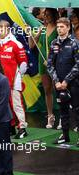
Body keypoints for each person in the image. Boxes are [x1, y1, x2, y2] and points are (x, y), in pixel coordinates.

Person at [0, 20, 28, 139]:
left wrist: (17, 77)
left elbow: (23, 64)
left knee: (16, 104)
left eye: (1, 28)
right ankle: (11, 126)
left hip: (14, 80)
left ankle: (22, 127)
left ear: (7, 29)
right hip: (0, 80)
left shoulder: (16, 44)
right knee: (5, 104)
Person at [47, 17, 79, 146]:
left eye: (62, 27)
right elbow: (49, 64)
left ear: (68, 28)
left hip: (73, 83)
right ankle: (65, 136)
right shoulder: (54, 43)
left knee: (77, 110)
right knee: (63, 111)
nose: (59, 29)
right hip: (58, 84)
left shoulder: (75, 43)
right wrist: (56, 81)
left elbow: (78, 64)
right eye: (58, 27)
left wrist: (66, 80)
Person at [29, 8, 59, 129]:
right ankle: (50, 116)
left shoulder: (58, 28)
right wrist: (32, 34)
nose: (45, 17)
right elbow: (31, 45)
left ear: (53, 15)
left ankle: (62, 116)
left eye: (48, 14)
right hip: (43, 62)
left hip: (55, 62)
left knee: (58, 91)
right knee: (47, 90)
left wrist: (53, 61)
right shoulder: (42, 28)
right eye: (44, 15)